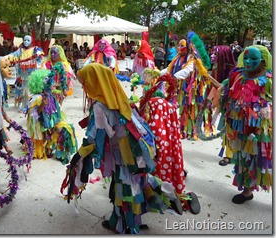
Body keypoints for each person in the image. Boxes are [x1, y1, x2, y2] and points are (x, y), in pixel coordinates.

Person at [61, 64, 181, 234]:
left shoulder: (99, 106)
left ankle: (124, 225)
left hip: (122, 154)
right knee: (138, 183)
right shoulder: (118, 96)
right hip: (138, 149)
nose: (84, 88)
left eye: (85, 83)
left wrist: (79, 157)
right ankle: (165, 199)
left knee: (124, 187)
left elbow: (94, 137)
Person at [209, 45, 272, 205]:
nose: (249, 61)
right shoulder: (237, 75)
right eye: (246, 58)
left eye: (254, 59)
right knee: (243, 157)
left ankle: (251, 188)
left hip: (260, 130)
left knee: (259, 159)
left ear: (263, 60)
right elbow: (227, 93)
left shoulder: (269, 79)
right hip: (239, 127)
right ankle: (247, 190)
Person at [139, 74, 200, 214]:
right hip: (170, 149)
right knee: (169, 169)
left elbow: (151, 138)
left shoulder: (153, 109)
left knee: (156, 172)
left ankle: (163, 196)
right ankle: (179, 197)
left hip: (157, 152)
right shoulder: (169, 108)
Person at [160, 33, 214, 140]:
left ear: (188, 47)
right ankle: (183, 129)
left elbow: (188, 70)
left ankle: (193, 131)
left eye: (181, 45)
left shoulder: (192, 58)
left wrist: (175, 77)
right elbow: (169, 69)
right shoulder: (177, 58)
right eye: (178, 45)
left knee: (192, 108)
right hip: (181, 88)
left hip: (192, 90)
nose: (179, 48)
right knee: (183, 108)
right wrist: (158, 73)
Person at [26, 66, 77, 163]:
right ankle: (51, 149)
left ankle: (61, 154)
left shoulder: (51, 96)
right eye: (49, 81)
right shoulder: (36, 98)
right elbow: (34, 115)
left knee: (67, 129)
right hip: (41, 128)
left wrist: (61, 99)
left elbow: (57, 111)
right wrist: (42, 105)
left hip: (51, 125)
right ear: (41, 84)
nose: (53, 83)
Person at [207, 45, 236, 166]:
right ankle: (229, 155)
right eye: (213, 53)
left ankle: (233, 155)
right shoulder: (217, 68)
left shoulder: (233, 73)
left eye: (216, 54)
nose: (213, 56)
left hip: (235, 107)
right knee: (228, 130)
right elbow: (220, 86)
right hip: (226, 105)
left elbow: (223, 87)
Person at [7, 35, 44, 112]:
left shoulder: (35, 49)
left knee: (30, 91)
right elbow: (14, 55)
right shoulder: (20, 50)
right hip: (23, 75)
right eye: (25, 40)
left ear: (31, 41)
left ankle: (31, 106)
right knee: (24, 91)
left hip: (32, 74)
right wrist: (9, 57)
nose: (26, 42)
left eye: (28, 40)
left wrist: (38, 53)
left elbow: (40, 57)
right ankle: (25, 106)